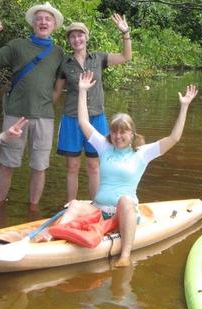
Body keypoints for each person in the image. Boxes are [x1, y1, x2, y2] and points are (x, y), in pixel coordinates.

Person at [59, 71, 198, 267]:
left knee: (124, 200)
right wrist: (82, 91)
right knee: (74, 204)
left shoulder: (142, 153)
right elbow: (83, 122)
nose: (118, 136)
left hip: (124, 213)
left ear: (132, 134)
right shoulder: (104, 146)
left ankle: (125, 255)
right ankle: (53, 238)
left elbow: (173, 138)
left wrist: (184, 106)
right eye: (115, 131)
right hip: (99, 210)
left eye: (123, 131)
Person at [0, 2, 64, 210]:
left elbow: (58, 87)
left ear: (54, 25)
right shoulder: (17, 45)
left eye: (48, 19)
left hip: (44, 117)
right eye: (40, 18)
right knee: (7, 163)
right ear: (33, 23)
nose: (43, 22)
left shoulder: (59, 53)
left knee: (40, 166)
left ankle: (33, 210)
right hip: (15, 115)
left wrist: (43, 106)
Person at [53, 14, 132, 202]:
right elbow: (56, 91)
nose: (76, 39)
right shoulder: (65, 63)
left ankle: (96, 205)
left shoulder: (99, 58)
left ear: (86, 37)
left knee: (94, 166)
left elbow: (126, 56)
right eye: (72, 36)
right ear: (69, 41)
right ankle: (70, 205)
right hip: (72, 119)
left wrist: (125, 33)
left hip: (96, 118)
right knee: (72, 167)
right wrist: (44, 112)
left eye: (80, 35)